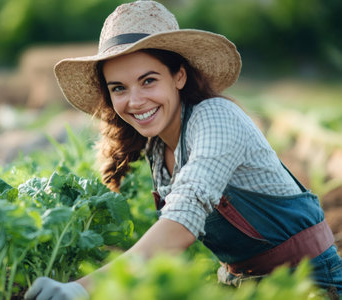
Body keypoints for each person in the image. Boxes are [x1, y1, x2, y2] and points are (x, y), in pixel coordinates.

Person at [24, 1, 342, 299]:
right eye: (119, 88)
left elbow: (182, 222)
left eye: (148, 81)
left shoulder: (215, 118)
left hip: (310, 283)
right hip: (243, 284)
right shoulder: (157, 147)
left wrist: (82, 288)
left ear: (179, 75)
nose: (134, 101)